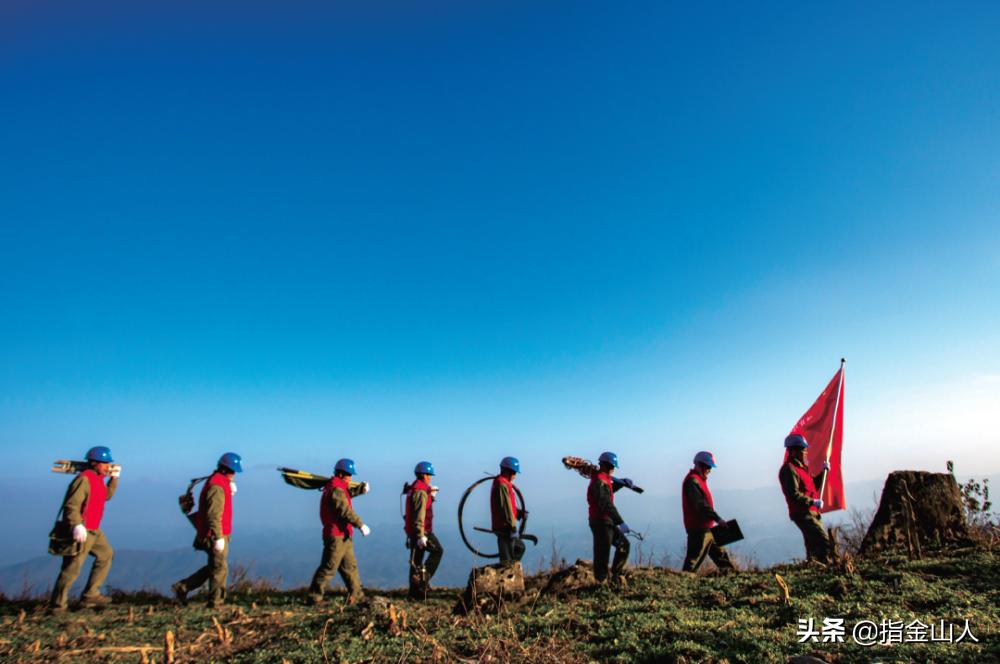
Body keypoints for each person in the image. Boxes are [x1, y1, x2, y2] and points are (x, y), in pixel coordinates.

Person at [49, 446, 120, 613]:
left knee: (106, 554)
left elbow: (106, 496)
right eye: (104, 463)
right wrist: (76, 525)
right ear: (94, 463)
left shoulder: (98, 480)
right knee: (72, 568)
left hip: (94, 529)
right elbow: (71, 505)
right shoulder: (83, 480)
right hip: (82, 529)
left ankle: (90, 595)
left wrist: (114, 479)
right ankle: (57, 606)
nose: (107, 466)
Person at [172, 452, 242, 608]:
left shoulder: (218, 482)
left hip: (214, 532)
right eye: (232, 471)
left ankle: (183, 587)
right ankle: (215, 603)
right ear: (224, 469)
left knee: (214, 566)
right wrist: (218, 537)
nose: (234, 474)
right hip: (214, 534)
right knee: (219, 568)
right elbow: (213, 514)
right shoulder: (217, 486)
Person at [307, 458, 371, 604]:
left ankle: (357, 596)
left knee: (350, 567)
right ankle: (314, 597)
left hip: (344, 534)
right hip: (336, 534)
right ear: (342, 474)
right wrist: (360, 525)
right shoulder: (336, 488)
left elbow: (346, 495)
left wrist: (360, 490)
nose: (350, 478)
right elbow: (344, 510)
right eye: (349, 475)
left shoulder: (337, 486)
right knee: (329, 567)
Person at [779, 434, 833, 563]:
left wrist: (823, 473)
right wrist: (812, 501)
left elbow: (812, 486)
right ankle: (826, 567)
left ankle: (815, 569)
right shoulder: (789, 470)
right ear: (793, 452)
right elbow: (793, 493)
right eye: (803, 450)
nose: (806, 453)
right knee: (823, 541)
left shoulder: (802, 469)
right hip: (802, 513)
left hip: (812, 512)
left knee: (813, 545)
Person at [681, 451, 734, 573]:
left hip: (707, 528)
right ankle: (684, 585)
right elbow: (701, 505)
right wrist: (718, 519)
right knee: (692, 563)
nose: (710, 470)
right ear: (700, 465)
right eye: (708, 467)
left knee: (722, 558)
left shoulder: (699, 480)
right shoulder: (692, 481)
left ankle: (734, 578)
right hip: (698, 529)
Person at [587, 451, 630, 583]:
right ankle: (601, 583)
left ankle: (616, 575)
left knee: (623, 545)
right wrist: (621, 522)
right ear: (604, 465)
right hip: (600, 522)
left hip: (606, 521)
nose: (613, 470)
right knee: (602, 554)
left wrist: (621, 483)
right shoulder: (598, 481)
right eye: (611, 467)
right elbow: (606, 503)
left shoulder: (603, 479)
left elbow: (609, 490)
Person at [405, 461, 443, 599]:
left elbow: (417, 509)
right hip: (423, 531)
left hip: (414, 531)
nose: (430, 478)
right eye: (428, 475)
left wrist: (431, 497)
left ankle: (415, 593)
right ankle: (422, 580)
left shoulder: (414, 489)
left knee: (416, 560)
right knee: (437, 551)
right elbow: (419, 514)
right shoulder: (421, 491)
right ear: (422, 475)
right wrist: (421, 535)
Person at [490, 457, 525, 564]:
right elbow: (505, 507)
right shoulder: (502, 484)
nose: (515, 475)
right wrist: (513, 527)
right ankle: (506, 576)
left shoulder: (503, 483)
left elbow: (507, 505)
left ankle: (511, 572)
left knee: (519, 547)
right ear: (507, 471)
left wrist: (519, 513)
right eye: (514, 472)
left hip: (506, 526)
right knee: (507, 558)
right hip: (505, 527)